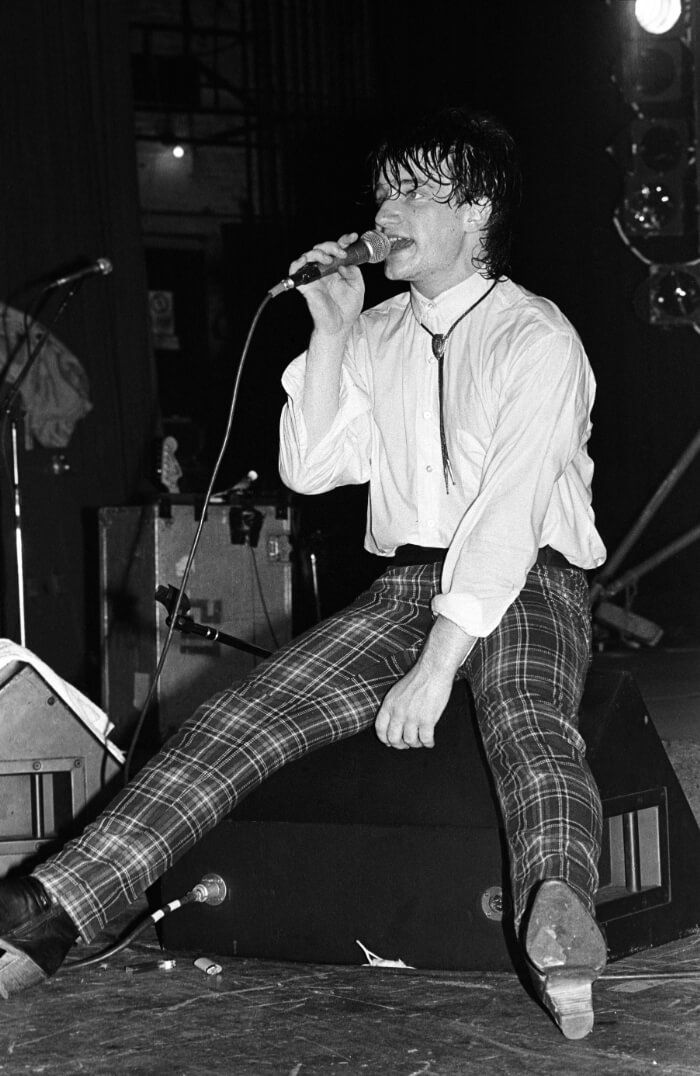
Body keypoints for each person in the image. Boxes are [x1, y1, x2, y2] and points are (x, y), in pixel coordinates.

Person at [0, 106, 607, 1040]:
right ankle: (50, 915)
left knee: (526, 722)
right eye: (383, 192)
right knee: (238, 718)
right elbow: (312, 466)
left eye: (414, 192)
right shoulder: (380, 331)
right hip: (405, 586)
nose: (385, 211)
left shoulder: (537, 337)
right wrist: (330, 332)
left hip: (528, 578)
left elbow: (509, 515)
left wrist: (437, 666)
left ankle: (560, 918)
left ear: (477, 212)